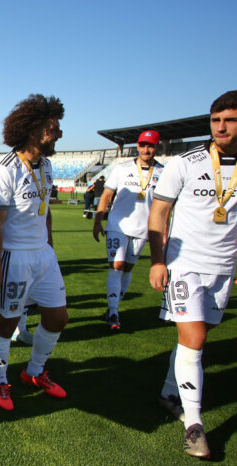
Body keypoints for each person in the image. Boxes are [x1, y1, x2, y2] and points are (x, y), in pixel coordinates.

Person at [148, 90, 237, 459]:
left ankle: (169, 391)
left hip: (223, 266)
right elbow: (159, 212)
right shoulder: (184, 163)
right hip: (183, 263)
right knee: (195, 337)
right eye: (215, 120)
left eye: (231, 120)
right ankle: (194, 426)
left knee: (195, 339)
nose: (220, 127)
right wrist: (158, 261)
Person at [0, 94, 69, 411]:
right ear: (32, 129)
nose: (57, 133)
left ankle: (34, 373)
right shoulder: (4, 171)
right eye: (52, 128)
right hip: (13, 256)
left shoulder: (45, 165)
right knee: (8, 321)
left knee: (58, 317)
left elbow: (46, 212)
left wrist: (51, 246)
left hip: (43, 254)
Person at [93, 130, 164, 330]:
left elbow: (165, 206)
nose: (146, 149)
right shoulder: (122, 168)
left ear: (157, 147)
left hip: (144, 228)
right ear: (137, 146)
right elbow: (107, 195)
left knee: (127, 269)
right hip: (118, 225)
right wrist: (98, 220)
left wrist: (163, 231)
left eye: (150, 145)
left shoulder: (164, 172)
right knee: (116, 265)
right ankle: (114, 312)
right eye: (142, 145)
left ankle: (113, 307)